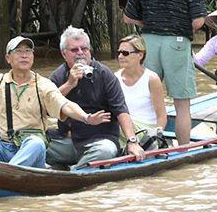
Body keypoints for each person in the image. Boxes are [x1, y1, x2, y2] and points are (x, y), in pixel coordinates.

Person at [0, 36, 109, 168]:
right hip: (3, 146)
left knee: (36, 143)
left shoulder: (42, 84)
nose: (24, 55)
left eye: (28, 51)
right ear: (8, 58)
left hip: (29, 150)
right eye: (18, 51)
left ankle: (6, 175)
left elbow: (65, 104)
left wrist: (86, 118)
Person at [123, 0, 206, 145]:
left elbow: (128, 17)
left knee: (145, 97)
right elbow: (198, 22)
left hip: (146, 43)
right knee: (182, 105)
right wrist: (179, 25)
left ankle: (139, 143)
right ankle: (183, 151)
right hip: (177, 44)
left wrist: (148, 23)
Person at [48, 26, 145, 169]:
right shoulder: (58, 75)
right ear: (64, 54)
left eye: (84, 49)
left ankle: (73, 173)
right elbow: (45, 107)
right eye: (74, 50)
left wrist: (132, 141)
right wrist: (69, 84)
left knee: (106, 151)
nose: (80, 53)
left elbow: (121, 110)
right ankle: (64, 168)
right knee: (37, 145)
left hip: (99, 141)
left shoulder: (104, 74)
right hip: (69, 142)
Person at [115, 34, 167, 147]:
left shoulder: (151, 79)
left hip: (144, 130)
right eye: (119, 52)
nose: (120, 56)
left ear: (140, 55)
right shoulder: (115, 78)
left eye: (125, 53)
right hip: (124, 127)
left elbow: (161, 115)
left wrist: (156, 137)